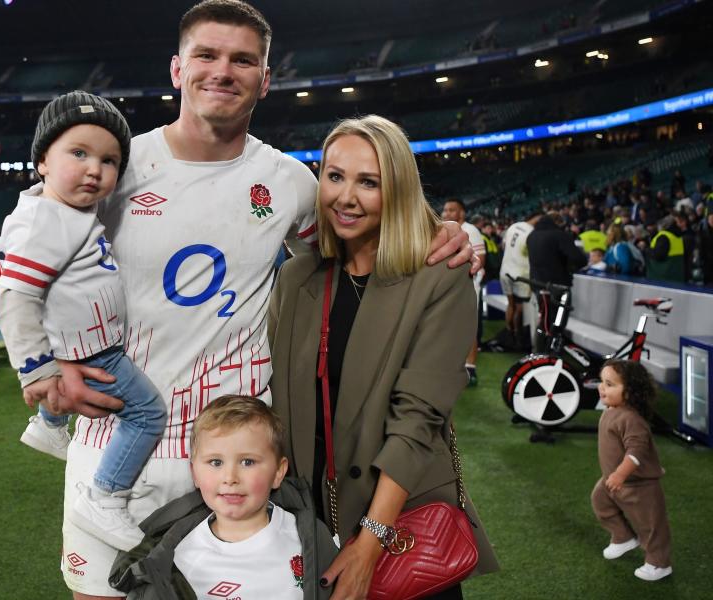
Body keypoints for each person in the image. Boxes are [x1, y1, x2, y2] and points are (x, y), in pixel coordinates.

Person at [47, 2, 474, 596]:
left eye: (242, 60)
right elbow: (33, 254)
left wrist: (444, 233)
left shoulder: (292, 185)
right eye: (207, 55)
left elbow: (359, 231)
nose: (223, 71)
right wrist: (42, 363)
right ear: (177, 69)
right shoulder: (113, 166)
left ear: (265, 78)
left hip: (241, 458)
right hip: (116, 450)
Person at [268, 115, 499, 598]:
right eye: (335, 176)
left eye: (368, 182)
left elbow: (418, 421)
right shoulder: (297, 278)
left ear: (397, 189)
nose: (346, 196)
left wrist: (372, 541)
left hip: (398, 527)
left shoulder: (440, 276)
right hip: (305, 526)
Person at [0, 91, 167, 552]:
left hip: (85, 342)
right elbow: (16, 297)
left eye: (109, 160)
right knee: (149, 413)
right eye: (79, 153)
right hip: (91, 351)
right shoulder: (47, 221)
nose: (95, 168)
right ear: (42, 162)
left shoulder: (64, 211)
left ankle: (48, 425)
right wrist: (36, 368)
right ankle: (105, 496)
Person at [109, 395, 337, 598]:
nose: (230, 477)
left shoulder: (310, 537)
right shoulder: (179, 556)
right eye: (215, 462)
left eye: (247, 462)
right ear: (194, 474)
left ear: (278, 472)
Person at [590, 360, 672, 582]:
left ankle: (658, 563)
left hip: (639, 484)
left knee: (651, 525)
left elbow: (635, 452)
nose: (602, 388)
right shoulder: (612, 410)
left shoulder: (631, 419)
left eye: (609, 384)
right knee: (600, 501)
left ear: (630, 392)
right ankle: (623, 537)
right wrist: (613, 476)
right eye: (602, 382)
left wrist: (620, 474)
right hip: (613, 480)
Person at [441, 198, 485, 385]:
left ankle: (470, 368)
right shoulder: (444, 229)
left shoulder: (470, 229)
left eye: (452, 210)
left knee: (468, 327)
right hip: (450, 286)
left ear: (461, 213)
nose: (447, 213)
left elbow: (480, 258)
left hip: (468, 285)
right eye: (445, 210)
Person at [499, 213, 539, 349]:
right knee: (520, 307)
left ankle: (508, 333)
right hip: (521, 273)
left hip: (505, 270)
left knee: (511, 305)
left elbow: (503, 246)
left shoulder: (513, 226)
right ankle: (517, 337)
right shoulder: (532, 232)